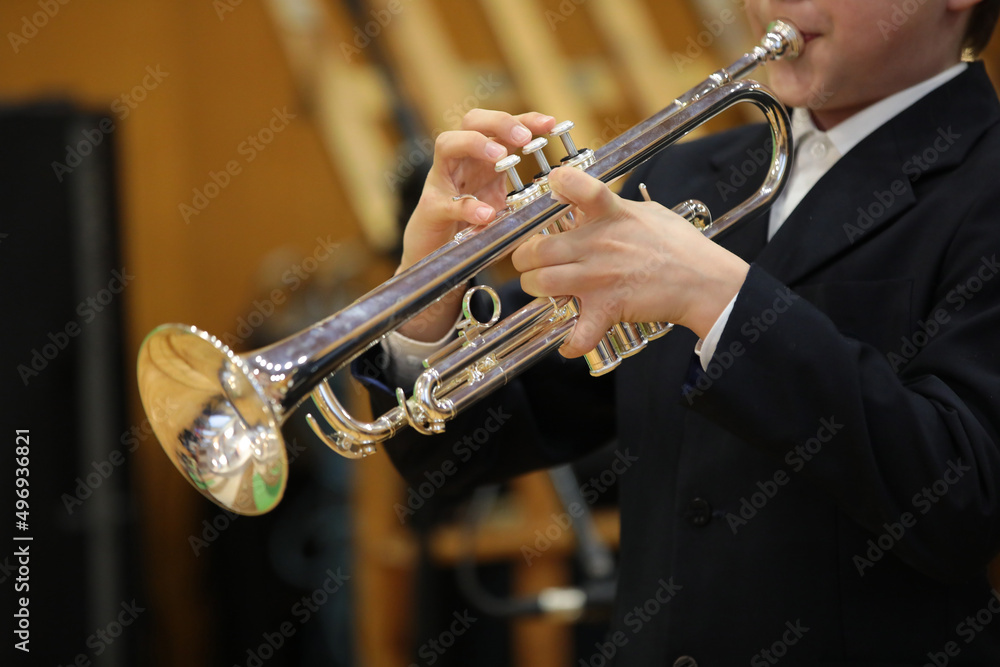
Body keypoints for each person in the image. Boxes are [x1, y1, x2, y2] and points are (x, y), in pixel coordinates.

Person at [356, 0, 1000, 662]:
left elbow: (965, 503)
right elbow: (460, 452)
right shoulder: (684, 177)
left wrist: (721, 298)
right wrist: (427, 293)